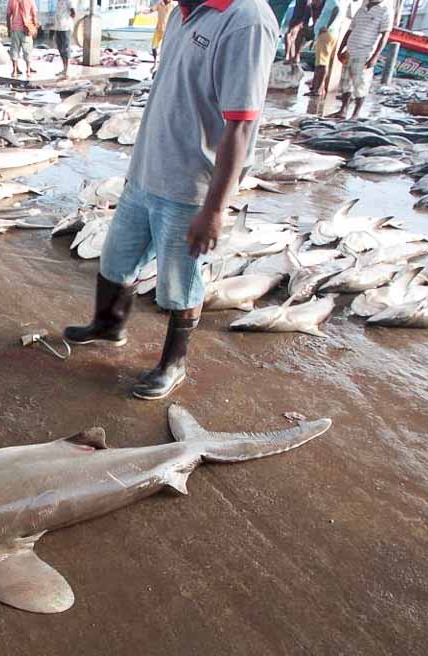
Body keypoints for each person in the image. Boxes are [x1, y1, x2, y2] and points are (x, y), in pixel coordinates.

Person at [63, 0, 278, 400]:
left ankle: (173, 365)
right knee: (114, 261)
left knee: (181, 284)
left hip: (189, 189)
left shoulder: (246, 20)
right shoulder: (183, 13)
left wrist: (214, 209)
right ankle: (109, 326)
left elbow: (241, 127)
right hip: (146, 172)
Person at [331, 0, 392, 118]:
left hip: (365, 53)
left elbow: (385, 36)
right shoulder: (361, 8)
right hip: (349, 51)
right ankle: (343, 110)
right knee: (345, 83)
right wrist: (340, 49)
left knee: (361, 84)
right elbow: (350, 30)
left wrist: (375, 57)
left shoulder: (385, 10)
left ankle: (355, 114)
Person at [307, 0, 340, 97]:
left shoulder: (333, 1)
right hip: (326, 34)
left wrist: (327, 26)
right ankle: (316, 87)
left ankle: (318, 89)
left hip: (326, 34)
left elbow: (336, 10)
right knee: (321, 63)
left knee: (322, 63)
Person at [6, 0, 38, 78]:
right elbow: (34, 15)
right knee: (27, 50)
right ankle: (28, 70)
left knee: (14, 49)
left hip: (15, 29)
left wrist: (9, 29)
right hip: (26, 29)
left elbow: (8, 16)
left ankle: (15, 70)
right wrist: (35, 28)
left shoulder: (11, 1)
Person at [148, 0, 176, 70]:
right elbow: (150, 10)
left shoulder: (173, 6)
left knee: (166, 48)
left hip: (168, 30)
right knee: (154, 47)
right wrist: (143, 12)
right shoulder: (159, 4)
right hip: (158, 29)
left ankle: (165, 64)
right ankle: (155, 63)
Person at [52, 0, 76, 77]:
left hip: (66, 27)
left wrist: (68, 21)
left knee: (66, 48)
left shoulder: (68, 1)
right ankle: (64, 68)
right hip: (58, 27)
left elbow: (73, 12)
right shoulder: (58, 2)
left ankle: (67, 70)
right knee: (60, 48)